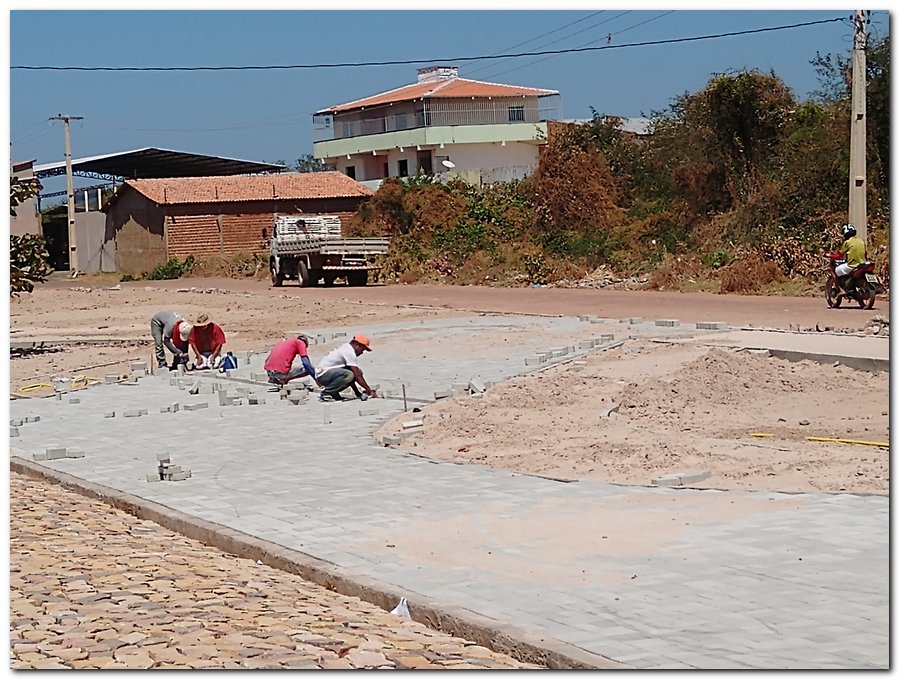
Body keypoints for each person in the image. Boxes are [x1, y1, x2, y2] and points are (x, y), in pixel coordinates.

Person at [315, 334, 378, 402]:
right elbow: (357, 375)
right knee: (349, 374)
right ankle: (326, 393)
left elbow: (354, 375)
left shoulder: (347, 348)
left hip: (328, 374)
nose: (362, 352)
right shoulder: (349, 351)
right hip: (323, 375)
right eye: (362, 349)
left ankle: (333, 392)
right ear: (357, 345)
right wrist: (369, 391)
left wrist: (357, 392)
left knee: (354, 372)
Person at [835, 223, 867, 294]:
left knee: (835, 271)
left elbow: (839, 256)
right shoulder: (861, 241)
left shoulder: (847, 242)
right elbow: (865, 254)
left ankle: (840, 289)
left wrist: (828, 255)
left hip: (852, 265)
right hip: (862, 264)